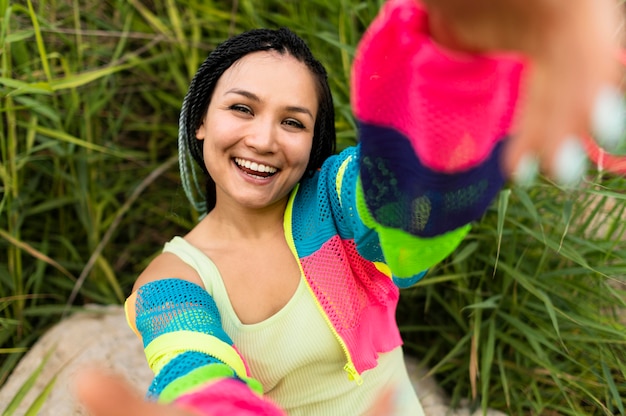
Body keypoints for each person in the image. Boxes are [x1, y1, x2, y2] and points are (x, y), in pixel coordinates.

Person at [76, 0, 624, 414]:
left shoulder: (332, 203)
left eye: (293, 122)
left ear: (312, 143)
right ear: (199, 122)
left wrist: (455, 59)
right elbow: (196, 373)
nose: (264, 139)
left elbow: (405, 194)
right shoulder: (171, 282)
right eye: (241, 109)